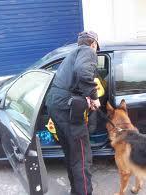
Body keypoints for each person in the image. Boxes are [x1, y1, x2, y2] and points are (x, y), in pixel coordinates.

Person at [45, 31, 101, 195]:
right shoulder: (88, 51)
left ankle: (76, 191)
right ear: (93, 44)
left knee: (71, 154)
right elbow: (83, 72)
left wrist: (85, 96)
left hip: (56, 107)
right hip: (67, 109)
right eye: (96, 47)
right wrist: (94, 97)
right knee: (82, 159)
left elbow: (75, 79)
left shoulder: (71, 54)